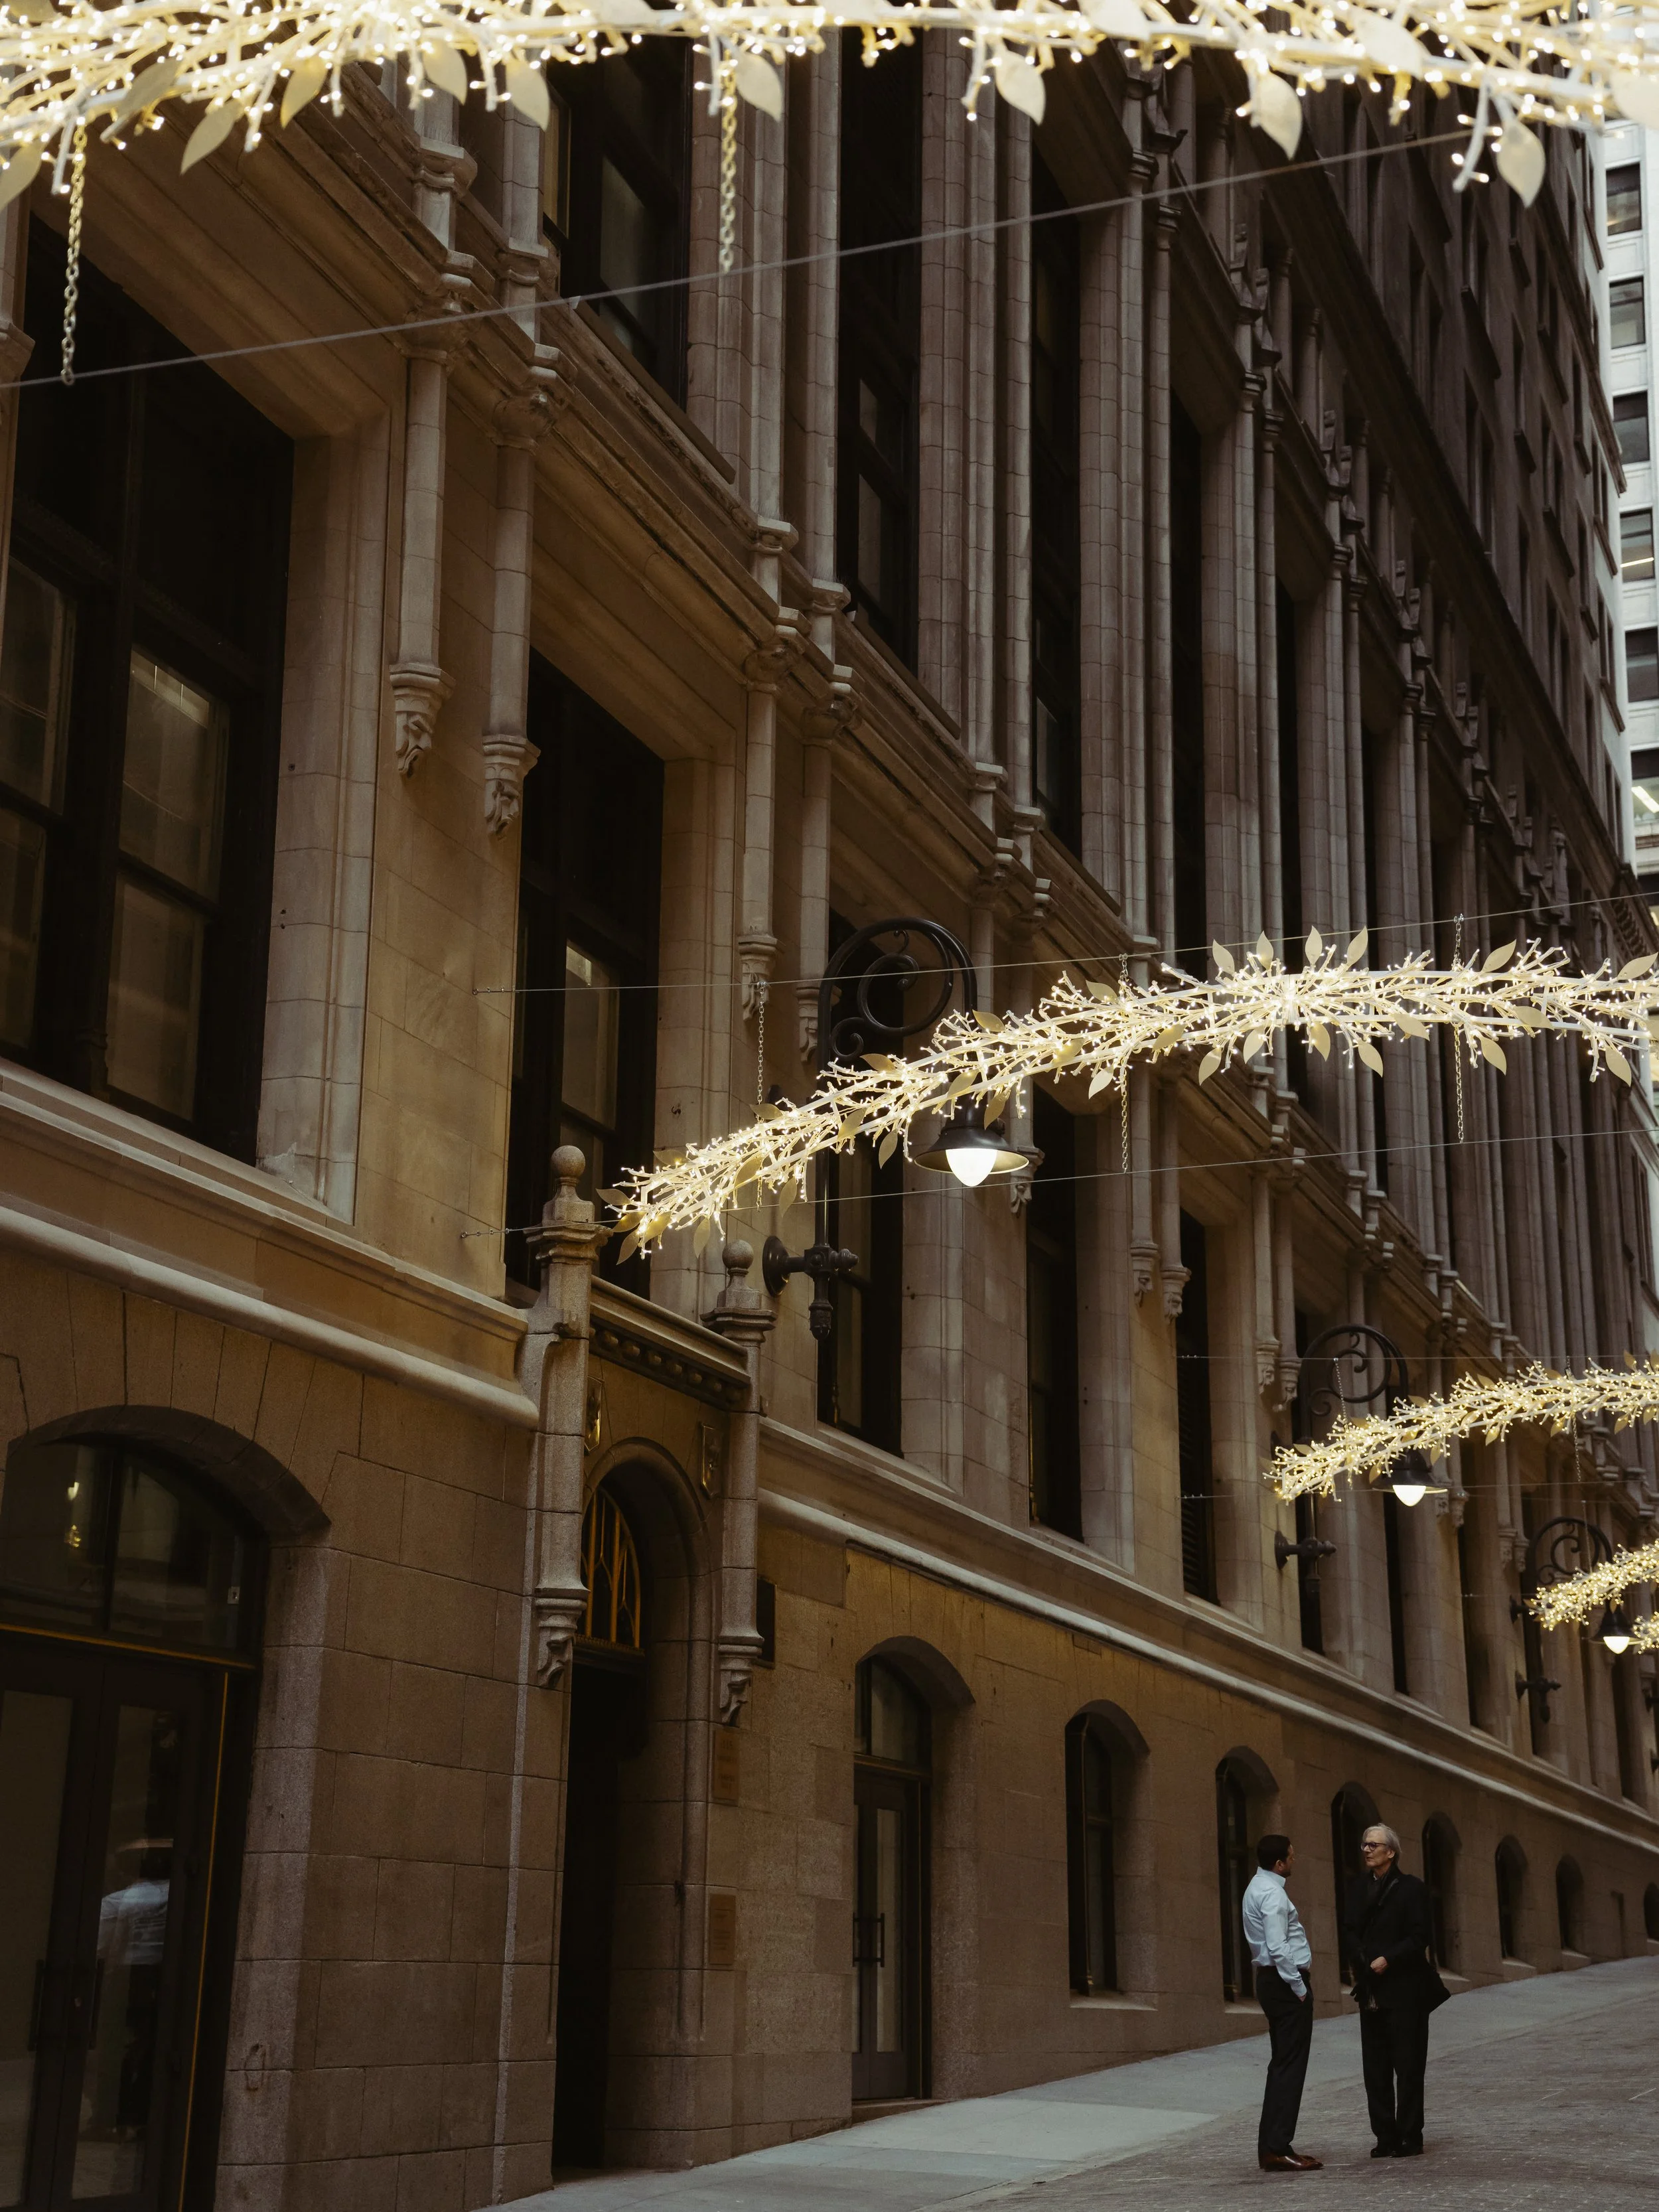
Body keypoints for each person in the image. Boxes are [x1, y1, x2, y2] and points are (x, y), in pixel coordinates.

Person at [1341, 1822, 1450, 2158]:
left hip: (1405, 1990)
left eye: (1373, 1845)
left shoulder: (1412, 1889)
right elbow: (1347, 1928)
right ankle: (1384, 2135)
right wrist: (1361, 1957)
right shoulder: (1357, 1887)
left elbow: (1420, 1937)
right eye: (1364, 1845)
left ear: (1391, 1852)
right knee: (1375, 2068)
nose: (1367, 1850)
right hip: (1371, 1990)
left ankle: (1410, 2136)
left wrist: (1388, 1958)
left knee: (1408, 2064)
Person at [1240, 1834, 1323, 2173]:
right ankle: (1276, 2149)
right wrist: (1299, 1988)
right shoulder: (1273, 1894)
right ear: (1279, 1864)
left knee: (1282, 2065)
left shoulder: (1256, 1886)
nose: (1294, 1859)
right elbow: (1278, 1947)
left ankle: (1274, 2146)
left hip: (1273, 1983)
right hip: (1284, 1984)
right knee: (1289, 2067)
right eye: (1291, 1855)